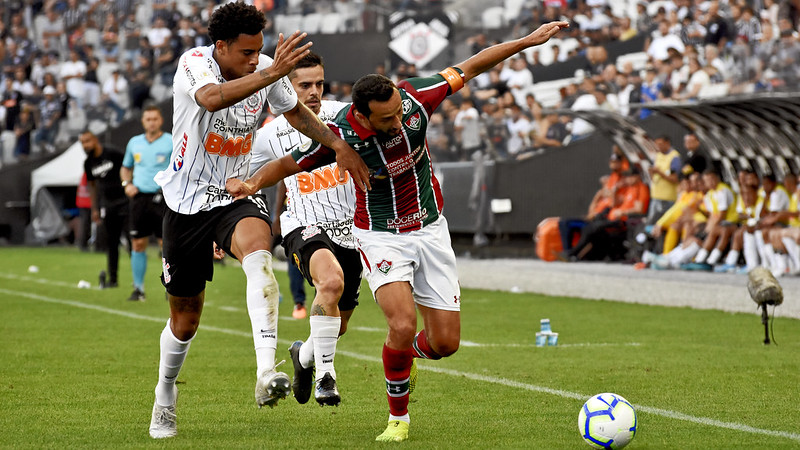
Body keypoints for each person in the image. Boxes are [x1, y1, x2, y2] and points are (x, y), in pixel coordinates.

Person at [226, 20, 569, 442]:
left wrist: (527, 41)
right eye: (386, 119)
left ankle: (404, 357)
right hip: (380, 235)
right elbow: (286, 164)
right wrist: (251, 184)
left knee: (445, 344)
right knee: (402, 325)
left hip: (430, 229)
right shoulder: (341, 135)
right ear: (363, 115)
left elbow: (473, 64)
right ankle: (398, 419)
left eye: (398, 113)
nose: (397, 122)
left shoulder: (415, 100)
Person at [146, 2, 368, 440]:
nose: (255, 59)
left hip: (235, 192)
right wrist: (271, 73)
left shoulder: (266, 68)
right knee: (186, 320)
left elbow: (295, 113)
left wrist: (336, 144)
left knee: (260, 254)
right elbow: (212, 98)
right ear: (221, 46)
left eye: (259, 51)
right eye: (247, 52)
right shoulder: (194, 64)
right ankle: (164, 394)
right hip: (186, 202)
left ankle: (266, 372)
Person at [249, 51, 361, 407]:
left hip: (353, 229)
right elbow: (236, 175)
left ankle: (305, 356)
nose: (314, 92)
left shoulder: (346, 116)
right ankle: (326, 377)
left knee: (339, 323)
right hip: (304, 224)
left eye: (319, 84)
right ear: (286, 87)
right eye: (304, 85)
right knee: (330, 282)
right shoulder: (269, 135)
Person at [120, 105, 172, 301]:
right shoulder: (134, 143)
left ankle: (171, 287)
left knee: (166, 244)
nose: (151, 122)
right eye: (148, 119)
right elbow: (125, 167)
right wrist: (127, 184)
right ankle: (138, 289)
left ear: (161, 121)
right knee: (138, 243)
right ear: (143, 121)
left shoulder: (171, 141)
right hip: (139, 198)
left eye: (155, 119)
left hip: (163, 198)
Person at [80, 129, 128, 289]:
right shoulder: (88, 163)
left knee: (133, 241)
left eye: (87, 141)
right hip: (108, 204)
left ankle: (138, 282)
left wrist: (129, 185)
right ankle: (113, 279)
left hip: (125, 201)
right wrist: (94, 208)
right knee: (112, 243)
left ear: (95, 140)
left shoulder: (113, 153)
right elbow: (92, 185)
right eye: (82, 143)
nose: (85, 145)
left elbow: (129, 167)